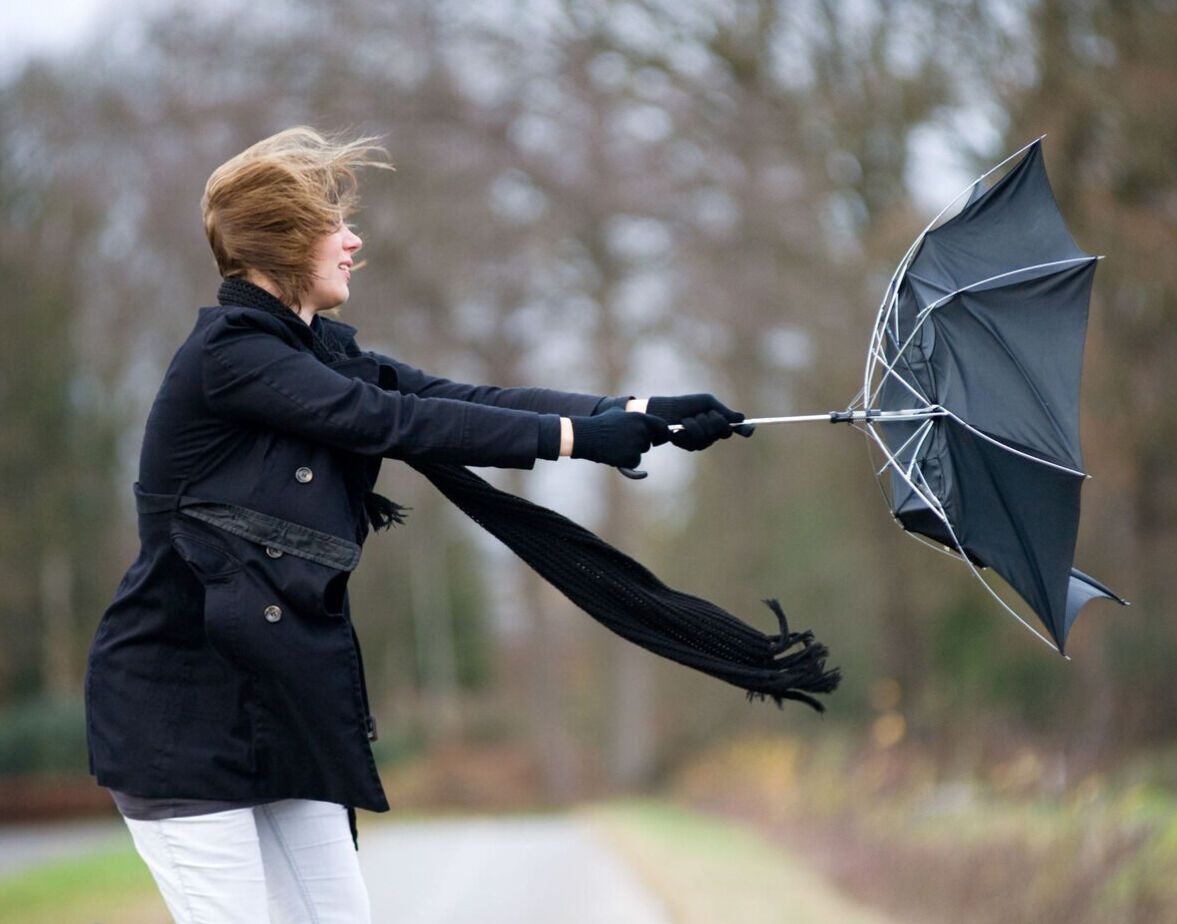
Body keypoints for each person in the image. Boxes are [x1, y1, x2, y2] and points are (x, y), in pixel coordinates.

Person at [82, 126, 745, 923]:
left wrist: (633, 413)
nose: (354, 240)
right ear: (285, 242)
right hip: (179, 717)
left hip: (282, 706)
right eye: (335, 225)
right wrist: (575, 440)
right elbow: (388, 420)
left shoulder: (313, 349)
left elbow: (455, 399)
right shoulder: (231, 357)